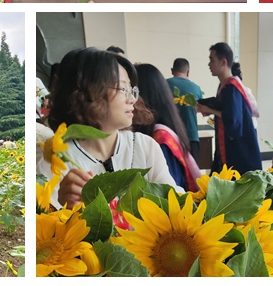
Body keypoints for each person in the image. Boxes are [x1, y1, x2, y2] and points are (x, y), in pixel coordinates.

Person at [38, 48, 180, 208]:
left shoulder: (145, 147)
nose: (132, 99)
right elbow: (45, 226)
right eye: (123, 89)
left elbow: (173, 204)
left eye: (132, 90)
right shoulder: (56, 159)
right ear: (86, 93)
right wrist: (63, 206)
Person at [135, 63, 201, 191]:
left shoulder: (161, 139)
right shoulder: (167, 129)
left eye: (133, 92)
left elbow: (167, 193)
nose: (129, 99)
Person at [198, 42, 262, 174]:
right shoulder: (226, 86)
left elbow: (233, 120)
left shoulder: (232, 88)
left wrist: (210, 110)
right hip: (229, 149)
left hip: (239, 152)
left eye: (212, 60)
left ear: (223, 62)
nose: (209, 64)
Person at [166, 57, 204, 162]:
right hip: (191, 137)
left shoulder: (163, 85)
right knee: (192, 174)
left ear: (172, 70)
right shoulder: (196, 88)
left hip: (169, 137)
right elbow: (202, 109)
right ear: (188, 72)